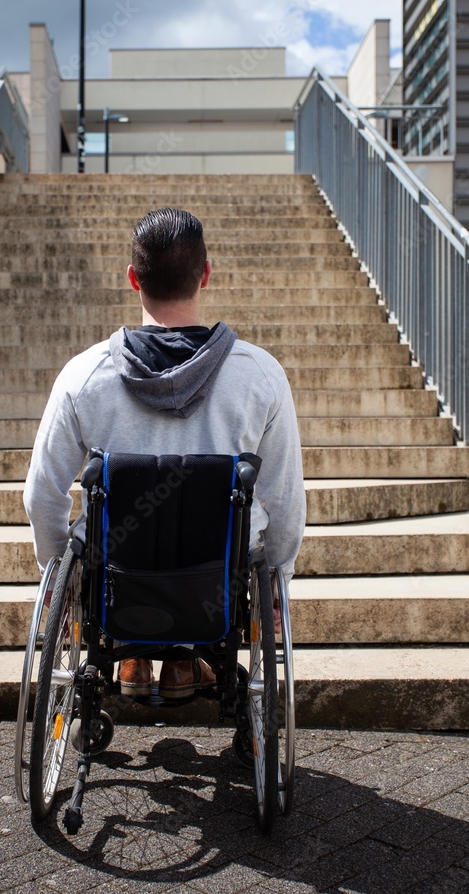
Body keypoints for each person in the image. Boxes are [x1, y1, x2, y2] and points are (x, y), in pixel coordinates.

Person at [24, 207, 306, 699]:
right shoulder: (260, 375)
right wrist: (276, 582)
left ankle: (132, 657)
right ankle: (185, 663)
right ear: (206, 274)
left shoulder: (83, 376)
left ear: (133, 278)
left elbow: (41, 495)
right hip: (215, 583)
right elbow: (283, 500)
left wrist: (61, 578)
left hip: (117, 583)